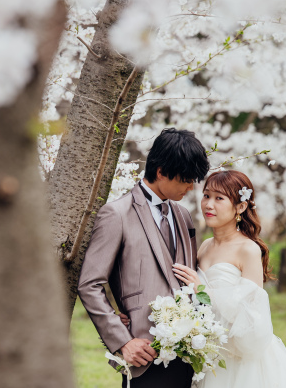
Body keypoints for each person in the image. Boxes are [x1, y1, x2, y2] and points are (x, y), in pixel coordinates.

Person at [78, 128, 210, 388]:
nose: (190, 186)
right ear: (160, 172)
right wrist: (122, 341)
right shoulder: (116, 215)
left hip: (190, 356)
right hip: (143, 356)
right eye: (185, 178)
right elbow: (89, 284)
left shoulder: (183, 215)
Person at [172, 170, 286, 388]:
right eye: (206, 196)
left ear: (240, 207)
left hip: (239, 357)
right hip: (208, 350)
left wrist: (203, 290)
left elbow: (253, 317)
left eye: (219, 198)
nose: (209, 205)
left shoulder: (248, 249)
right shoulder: (204, 246)